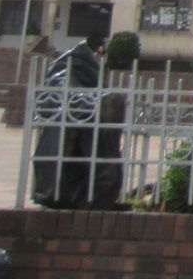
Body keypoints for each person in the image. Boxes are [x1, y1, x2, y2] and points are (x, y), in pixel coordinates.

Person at [32, 34, 124, 210]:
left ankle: (99, 187)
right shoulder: (67, 72)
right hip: (78, 126)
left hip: (89, 132)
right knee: (109, 104)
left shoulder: (88, 77)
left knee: (111, 104)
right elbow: (60, 93)